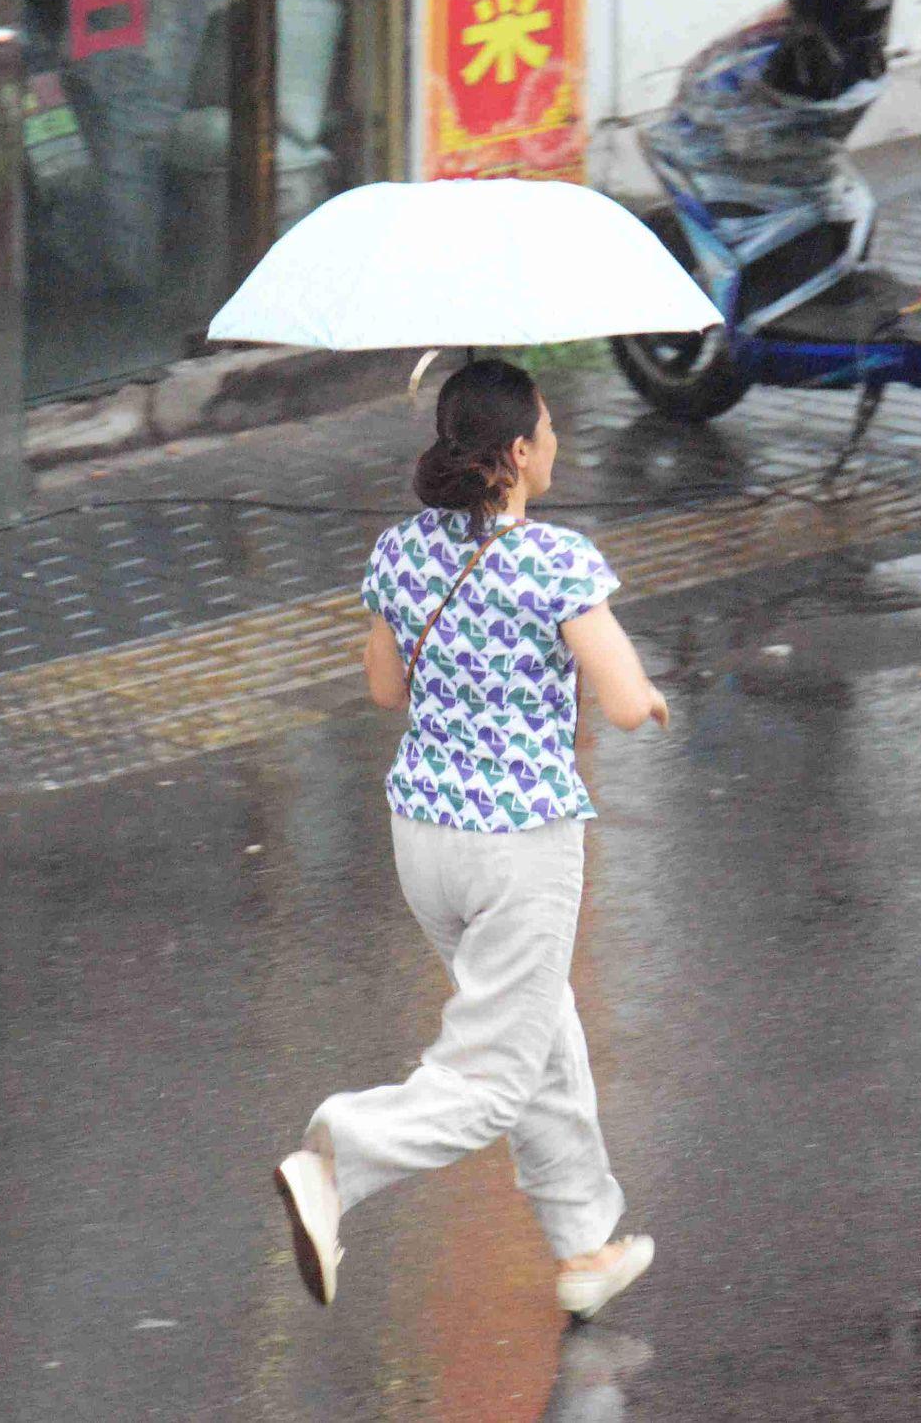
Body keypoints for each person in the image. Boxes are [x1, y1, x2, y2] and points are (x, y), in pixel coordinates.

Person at [274, 359, 671, 1321]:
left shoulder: (403, 552)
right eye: (549, 426)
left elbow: (383, 691)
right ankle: (338, 1157)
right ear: (520, 453)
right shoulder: (556, 562)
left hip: (424, 839)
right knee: (492, 1080)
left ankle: (584, 1243)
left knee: (538, 1032)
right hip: (518, 846)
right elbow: (621, 702)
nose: (560, 443)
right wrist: (648, 698)